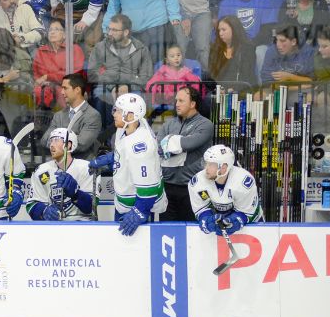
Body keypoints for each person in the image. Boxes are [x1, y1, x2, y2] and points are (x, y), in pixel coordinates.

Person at [88, 93, 168, 235]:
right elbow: (125, 151)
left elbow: (148, 186)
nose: (114, 114)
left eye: (118, 111)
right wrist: (111, 158)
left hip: (138, 207)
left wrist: (140, 211)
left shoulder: (141, 145)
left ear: (130, 116)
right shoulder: (126, 127)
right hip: (124, 203)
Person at [156, 86, 213, 221]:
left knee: (192, 234)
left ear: (193, 104)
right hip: (167, 186)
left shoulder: (205, 124)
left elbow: (188, 144)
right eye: (176, 101)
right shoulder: (168, 124)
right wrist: (176, 144)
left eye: (181, 101)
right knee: (167, 232)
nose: (177, 104)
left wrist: (171, 142)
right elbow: (158, 147)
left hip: (192, 187)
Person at [190, 144, 263, 235]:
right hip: (218, 220)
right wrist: (207, 220)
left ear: (224, 167)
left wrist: (236, 221)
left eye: (211, 164)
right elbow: (201, 208)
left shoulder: (243, 182)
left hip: (250, 225)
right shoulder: (198, 182)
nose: (206, 168)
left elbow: (248, 213)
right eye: (206, 163)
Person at [26, 128, 95, 220]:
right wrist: (43, 211)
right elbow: (31, 204)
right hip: (54, 228)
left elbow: (91, 208)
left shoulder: (86, 168)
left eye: (56, 140)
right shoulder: (41, 171)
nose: (51, 145)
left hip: (81, 227)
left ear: (69, 145)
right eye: (51, 141)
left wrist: (76, 194)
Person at [39, 72, 102, 160]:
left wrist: (56, 141)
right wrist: (69, 140)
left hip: (81, 168)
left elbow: (81, 144)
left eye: (65, 88)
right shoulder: (58, 115)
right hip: (59, 166)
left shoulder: (92, 115)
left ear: (77, 90)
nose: (62, 92)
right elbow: (45, 140)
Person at [88, 14, 153, 97]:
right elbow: (92, 74)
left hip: (133, 88)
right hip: (106, 86)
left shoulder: (141, 49)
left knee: (137, 96)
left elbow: (146, 76)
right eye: (109, 29)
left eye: (114, 30)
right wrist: (112, 86)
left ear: (126, 32)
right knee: (99, 94)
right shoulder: (100, 47)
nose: (110, 33)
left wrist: (128, 87)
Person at [32, 19, 85, 108]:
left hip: (70, 87)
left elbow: (73, 74)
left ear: (64, 34)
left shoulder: (74, 49)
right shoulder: (41, 51)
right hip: (46, 88)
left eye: (56, 29)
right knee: (39, 92)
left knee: (63, 94)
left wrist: (47, 77)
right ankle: (42, 120)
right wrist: (44, 81)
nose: (52, 32)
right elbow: (37, 73)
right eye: (50, 30)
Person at [206, 15, 257, 89]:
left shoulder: (247, 49)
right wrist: (218, 89)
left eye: (224, 30)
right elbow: (211, 76)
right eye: (219, 30)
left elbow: (247, 75)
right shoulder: (215, 49)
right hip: (219, 90)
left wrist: (233, 89)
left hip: (241, 90)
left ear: (234, 29)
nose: (220, 33)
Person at [0, 27, 33, 94]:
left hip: (17, 98)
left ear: (1, 43)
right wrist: (5, 79)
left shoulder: (21, 58)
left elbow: (27, 84)